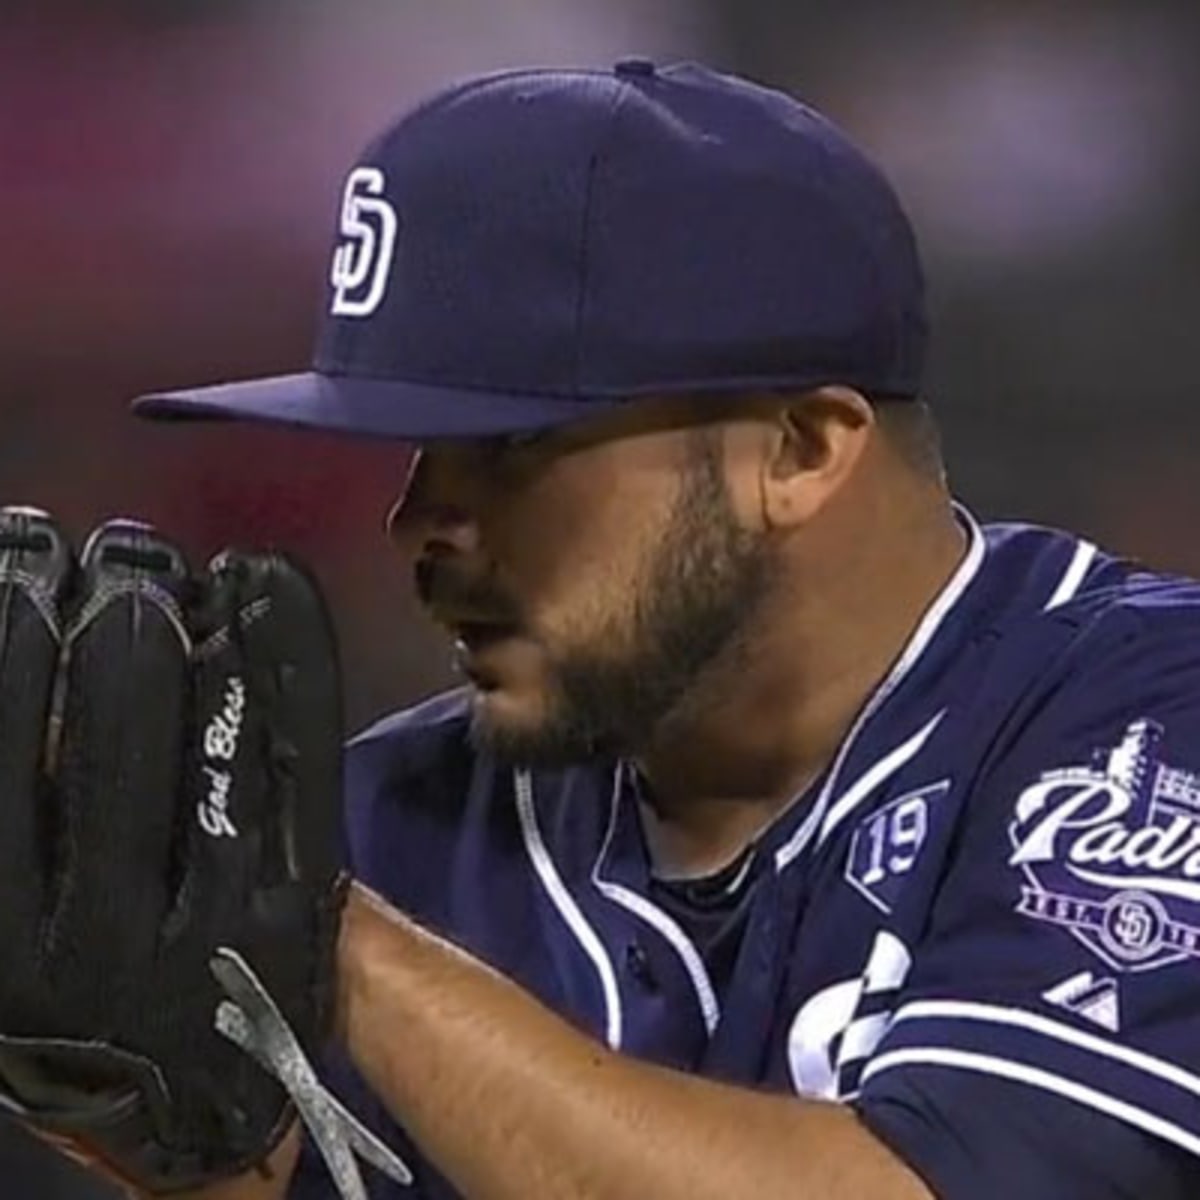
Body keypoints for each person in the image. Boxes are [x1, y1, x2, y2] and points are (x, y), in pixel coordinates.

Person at [120, 60, 1200, 1198]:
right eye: (414, 448)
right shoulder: (386, 815)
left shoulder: (1138, 731)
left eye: (509, 449)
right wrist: (97, 1077)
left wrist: (341, 942)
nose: (420, 522)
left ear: (801, 451)